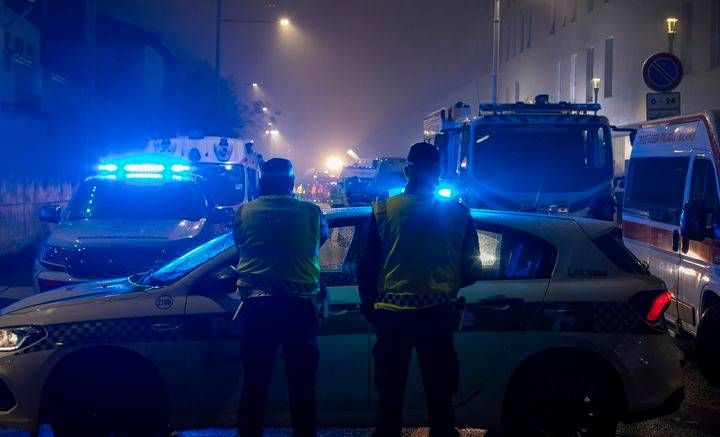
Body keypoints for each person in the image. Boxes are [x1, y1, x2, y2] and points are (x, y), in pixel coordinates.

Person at [357, 142, 481, 437]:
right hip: (438, 316)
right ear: (438, 171)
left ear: (407, 171)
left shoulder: (383, 210)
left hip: (392, 317)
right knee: (440, 397)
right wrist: (445, 286)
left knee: (389, 398)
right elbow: (472, 268)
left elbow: (365, 267)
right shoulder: (459, 212)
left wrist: (371, 308)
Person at [233, 158, 329, 437]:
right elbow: (319, 240)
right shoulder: (312, 212)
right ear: (292, 182)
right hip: (299, 307)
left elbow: (240, 245)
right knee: (302, 385)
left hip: (257, 308)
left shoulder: (244, 213)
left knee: (255, 383)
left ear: (261, 182)